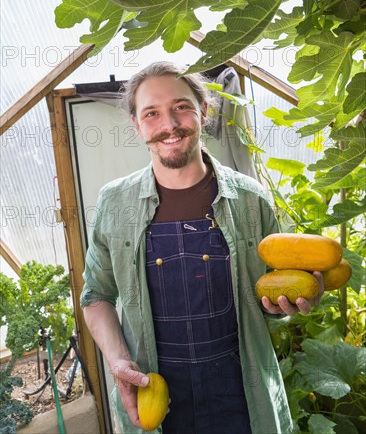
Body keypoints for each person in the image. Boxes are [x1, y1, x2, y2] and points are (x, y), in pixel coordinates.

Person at [80, 62, 323, 434]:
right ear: (137, 124)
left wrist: (289, 303)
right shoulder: (115, 203)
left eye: (181, 107)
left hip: (242, 394)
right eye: (152, 113)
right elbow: (96, 295)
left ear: (204, 112)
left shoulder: (250, 199)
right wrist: (118, 362)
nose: (169, 124)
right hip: (154, 395)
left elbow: (272, 301)